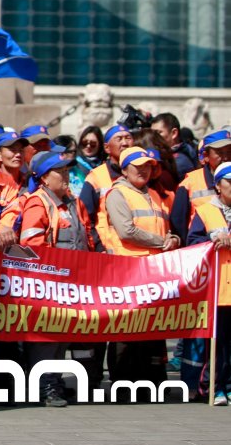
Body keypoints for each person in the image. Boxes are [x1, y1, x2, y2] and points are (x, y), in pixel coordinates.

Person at [99, 146, 179, 391]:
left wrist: (173, 238)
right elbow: (126, 231)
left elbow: (165, 229)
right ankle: (123, 384)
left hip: (153, 270)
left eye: (148, 166)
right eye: (138, 166)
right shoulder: (117, 194)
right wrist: (162, 241)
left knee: (151, 327)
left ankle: (150, 382)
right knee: (126, 329)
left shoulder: (154, 194)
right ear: (125, 170)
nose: (144, 170)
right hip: (128, 271)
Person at [19, 150, 94, 407]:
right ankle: (45, 386)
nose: (65, 175)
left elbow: (88, 236)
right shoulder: (38, 203)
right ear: (44, 178)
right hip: (48, 283)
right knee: (46, 336)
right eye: (59, 172)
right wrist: (52, 273)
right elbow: (31, 245)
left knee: (62, 335)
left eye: (66, 170)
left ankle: (55, 381)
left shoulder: (74, 202)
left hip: (73, 283)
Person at [186, 161, 231, 405]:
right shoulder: (205, 211)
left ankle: (229, 385)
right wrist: (213, 240)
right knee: (218, 343)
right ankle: (213, 387)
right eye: (229, 182)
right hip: (217, 289)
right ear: (218, 186)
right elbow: (193, 242)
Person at [79, 124, 134, 245]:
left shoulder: (141, 174)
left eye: (128, 138)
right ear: (107, 148)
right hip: (108, 249)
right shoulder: (96, 177)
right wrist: (98, 246)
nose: (125, 143)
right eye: (119, 139)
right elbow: (84, 218)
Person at [153, 112, 198, 177]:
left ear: (174, 133)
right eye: (151, 133)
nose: (153, 137)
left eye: (158, 133)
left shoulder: (181, 161)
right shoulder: (166, 155)